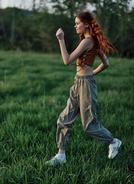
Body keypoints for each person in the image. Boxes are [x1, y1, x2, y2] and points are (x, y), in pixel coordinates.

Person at [45, 11, 122, 166]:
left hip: (85, 85)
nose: (75, 26)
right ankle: (61, 155)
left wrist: (60, 39)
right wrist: (91, 73)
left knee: (89, 126)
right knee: (64, 120)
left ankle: (113, 142)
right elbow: (106, 63)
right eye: (75, 23)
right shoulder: (92, 41)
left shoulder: (87, 41)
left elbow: (66, 60)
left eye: (77, 23)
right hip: (78, 82)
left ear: (86, 24)